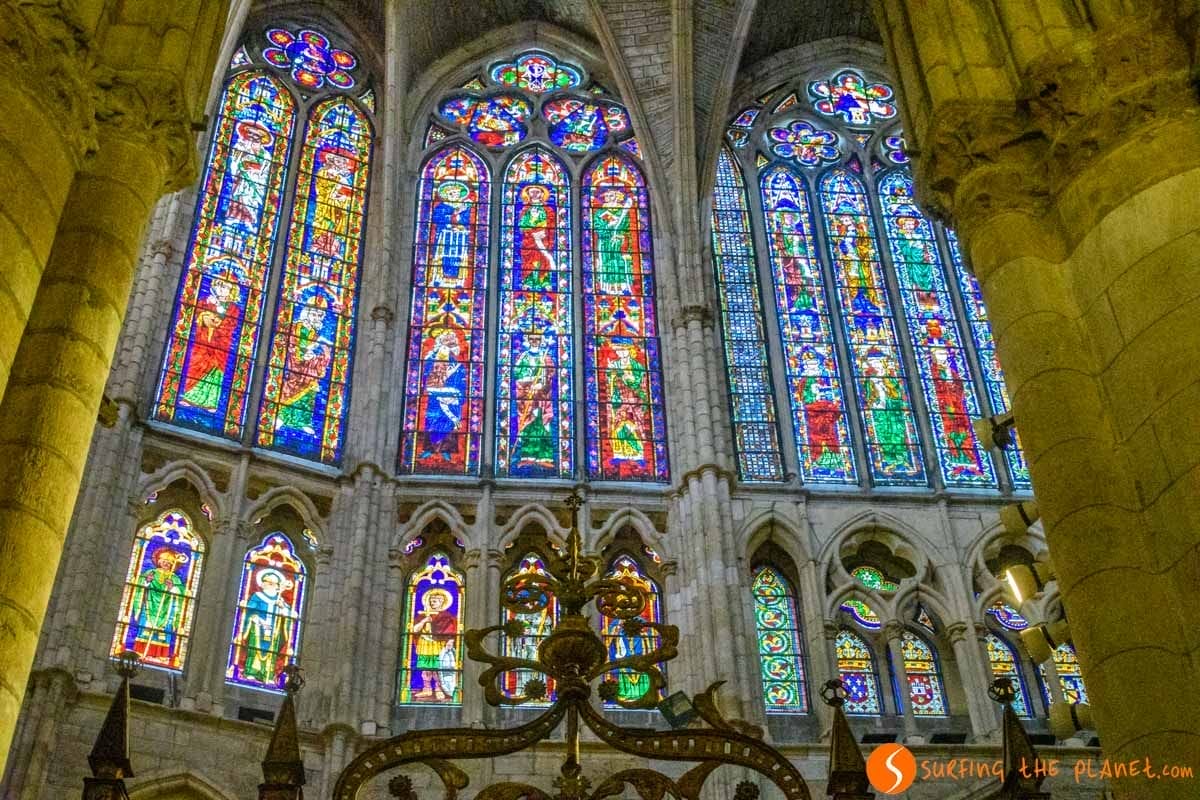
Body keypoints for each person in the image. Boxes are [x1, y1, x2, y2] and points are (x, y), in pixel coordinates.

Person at [180, 263, 244, 415]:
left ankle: (210, 403)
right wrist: (205, 313)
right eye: (220, 286)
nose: (222, 290)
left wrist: (218, 320)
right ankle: (190, 396)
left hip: (220, 346)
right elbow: (198, 314)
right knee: (198, 365)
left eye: (226, 287)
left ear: (232, 291)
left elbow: (231, 324)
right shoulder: (206, 300)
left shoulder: (233, 308)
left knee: (216, 375)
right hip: (203, 342)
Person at [274, 298, 333, 436]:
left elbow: (320, 355)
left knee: (309, 391)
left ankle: (303, 422)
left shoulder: (316, 334)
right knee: (289, 389)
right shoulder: (296, 327)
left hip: (309, 370)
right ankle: (282, 417)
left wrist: (319, 354)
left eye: (319, 315)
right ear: (306, 313)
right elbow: (289, 344)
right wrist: (302, 353)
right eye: (314, 314)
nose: (316, 318)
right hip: (294, 366)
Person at [233, 568, 295, 687]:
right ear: (262, 584)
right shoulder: (257, 596)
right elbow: (249, 609)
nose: (272, 586)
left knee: (271, 653)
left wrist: (283, 609)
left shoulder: (279, 599)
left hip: (273, 630)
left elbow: (288, 613)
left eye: (274, 584)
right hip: (258, 628)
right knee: (255, 649)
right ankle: (251, 672)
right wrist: (255, 618)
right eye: (269, 582)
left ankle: (268, 675)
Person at [128, 547, 189, 667]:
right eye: (164, 561)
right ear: (159, 561)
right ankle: (141, 652)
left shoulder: (174, 578)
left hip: (166, 609)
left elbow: (182, 592)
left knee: (163, 631)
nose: (166, 564)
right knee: (146, 627)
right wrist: (147, 581)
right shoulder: (150, 573)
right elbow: (140, 585)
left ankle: (161, 656)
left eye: (169, 562)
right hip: (150, 605)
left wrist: (172, 587)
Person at [419, 328, 467, 464]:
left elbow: (460, 377)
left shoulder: (456, 364)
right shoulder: (432, 359)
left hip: (451, 397)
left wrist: (457, 395)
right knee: (433, 420)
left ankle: (446, 449)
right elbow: (426, 375)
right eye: (446, 344)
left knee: (448, 422)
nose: (449, 348)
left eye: (451, 344)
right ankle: (430, 448)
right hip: (435, 398)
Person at [512, 332, 556, 471]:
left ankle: (545, 457)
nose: (535, 341)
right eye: (532, 339)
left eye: (537, 339)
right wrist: (528, 382)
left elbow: (550, 375)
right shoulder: (523, 357)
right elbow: (517, 373)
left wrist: (542, 385)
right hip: (527, 398)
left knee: (543, 426)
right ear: (528, 340)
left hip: (542, 399)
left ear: (541, 340)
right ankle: (527, 457)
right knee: (528, 426)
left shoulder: (546, 357)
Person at [410, 587, 459, 701]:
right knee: (425, 668)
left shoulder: (446, 616)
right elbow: (415, 630)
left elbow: (451, 631)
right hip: (424, 644)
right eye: (431, 600)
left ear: (442, 602)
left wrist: (450, 641)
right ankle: (427, 688)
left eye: (435, 600)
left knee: (437, 668)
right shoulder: (422, 615)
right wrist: (424, 621)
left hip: (438, 645)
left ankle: (438, 689)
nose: (433, 602)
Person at [593, 188, 635, 294]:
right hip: (605, 243)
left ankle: (622, 287)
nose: (607, 198)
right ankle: (606, 288)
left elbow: (627, 228)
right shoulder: (600, 212)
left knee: (619, 262)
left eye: (610, 195)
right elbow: (598, 228)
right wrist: (608, 226)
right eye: (606, 196)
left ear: (617, 197)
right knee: (607, 264)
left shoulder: (623, 212)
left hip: (619, 243)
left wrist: (621, 236)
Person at [429, 182, 472, 287]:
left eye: (457, 193)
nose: (455, 196)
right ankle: (438, 279)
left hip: (459, 237)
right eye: (452, 193)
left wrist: (459, 221)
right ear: (447, 194)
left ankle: (459, 281)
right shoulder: (441, 207)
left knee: (459, 258)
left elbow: (466, 221)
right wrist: (454, 215)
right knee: (442, 257)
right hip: (444, 236)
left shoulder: (464, 207)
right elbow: (436, 219)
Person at [516, 184, 556, 290]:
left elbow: (552, 224)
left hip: (543, 238)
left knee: (543, 259)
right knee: (529, 260)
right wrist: (531, 232)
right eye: (532, 192)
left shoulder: (548, 210)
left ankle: (545, 281)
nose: (534, 194)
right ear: (528, 194)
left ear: (542, 194)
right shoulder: (526, 210)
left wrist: (545, 232)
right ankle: (528, 280)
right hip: (530, 239)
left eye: (537, 192)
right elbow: (521, 225)